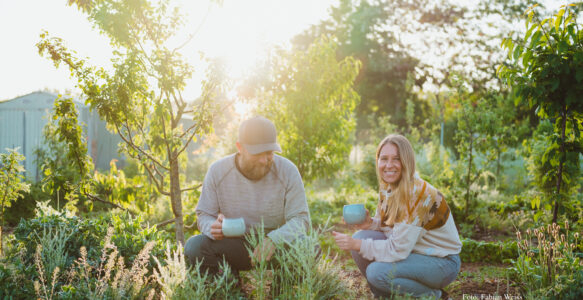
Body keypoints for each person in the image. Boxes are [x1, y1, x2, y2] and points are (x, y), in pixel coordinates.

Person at [332, 134, 462, 299]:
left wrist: (357, 244)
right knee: (362, 236)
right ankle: (384, 295)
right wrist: (370, 223)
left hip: (441, 262)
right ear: (378, 161)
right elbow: (393, 227)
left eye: (396, 159)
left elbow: (397, 249)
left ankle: (434, 296)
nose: (389, 165)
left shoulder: (416, 195)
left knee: (375, 271)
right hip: (413, 250)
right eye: (384, 158)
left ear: (406, 161)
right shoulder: (388, 186)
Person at [184, 116, 310, 276]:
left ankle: (280, 292)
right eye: (257, 153)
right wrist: (212, 227)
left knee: (309, 247)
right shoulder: (217, 171)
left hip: (276, 247)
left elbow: (301, 220)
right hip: (234, 246)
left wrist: (274, 239)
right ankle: (228, 289)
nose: (264, 160)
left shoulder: (288, 171)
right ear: (240, 147)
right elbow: (204, 215)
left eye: (269, 153)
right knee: (195, 246)